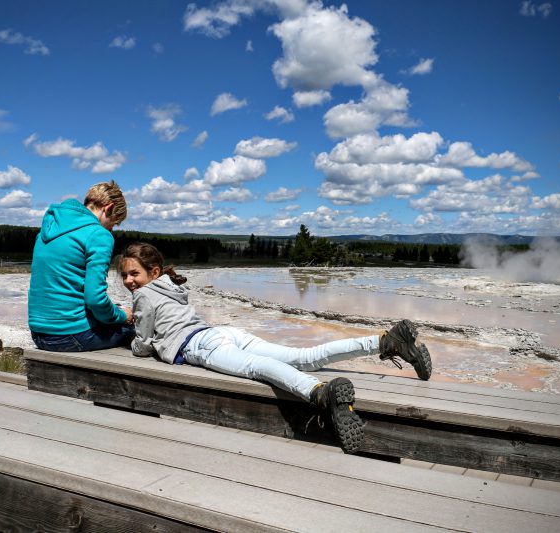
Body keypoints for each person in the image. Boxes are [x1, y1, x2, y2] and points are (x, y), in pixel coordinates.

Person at [119, 242, 432, 453]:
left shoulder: (144, 296)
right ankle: (387, 341)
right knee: (303, 356)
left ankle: (320, 393)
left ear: (154, 272)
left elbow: (143, 346)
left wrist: (130, 332)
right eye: (124, 276)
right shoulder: (171, 288)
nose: (129, 281)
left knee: (260, 370)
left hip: (199, 345)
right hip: (223, 332)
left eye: (134, 274)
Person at [29, 180, 134, 352]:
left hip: (39, 334)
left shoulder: (46, 230)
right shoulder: (99, 235)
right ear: (108, 208)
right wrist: (122, 315)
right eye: (113, 223)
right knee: (132, 330)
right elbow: (94, 298)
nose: (111, 229)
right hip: (70, 336)